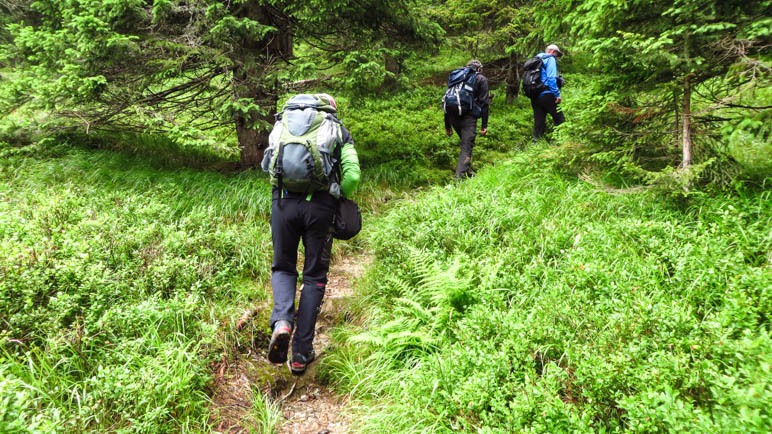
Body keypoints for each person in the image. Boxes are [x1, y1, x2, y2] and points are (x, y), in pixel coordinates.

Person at [265, 93, 360, 375]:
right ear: (330, 109)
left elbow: (266, 164)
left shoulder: (283, 123)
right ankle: (301, 353)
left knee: (283, 266)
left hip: (282, 203)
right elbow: (353, 175)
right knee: (314, 276)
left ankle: (282, 321)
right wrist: (337, 194)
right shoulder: (336, 128)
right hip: (319, 207)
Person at [444, 59, 489, 179]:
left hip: (452, 116)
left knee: (466, 143)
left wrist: (447, 126)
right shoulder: (481, 79)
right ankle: (459, 178)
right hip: (468, 117)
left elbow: (447, 100)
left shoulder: (456, 77)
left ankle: (467, 171)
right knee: (467, 146)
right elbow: (484, 104)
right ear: (479, 69)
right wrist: (484, 125)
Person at [530, 44, 565, 141]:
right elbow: (551, 78)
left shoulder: (536, 59)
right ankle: (561, 142)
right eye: (557, 54)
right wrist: (557, 94)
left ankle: (535, 145)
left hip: (535, 95)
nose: (556, 57)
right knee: (560, 118)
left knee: (539, 122)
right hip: (547, 94)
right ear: (553, 51)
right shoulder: (550, 59)